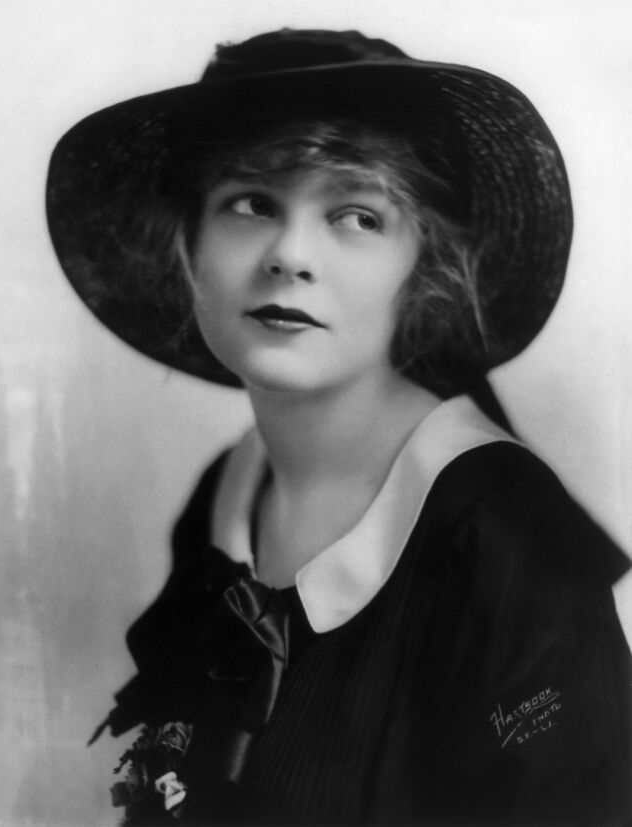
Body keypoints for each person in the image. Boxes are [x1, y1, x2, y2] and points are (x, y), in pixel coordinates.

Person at [46, 28, 631, 826]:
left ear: (422, 265)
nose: (290, 254)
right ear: (186, 244)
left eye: (356, 215)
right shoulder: (228, 495)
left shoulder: (507, 542)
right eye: (250, 204)